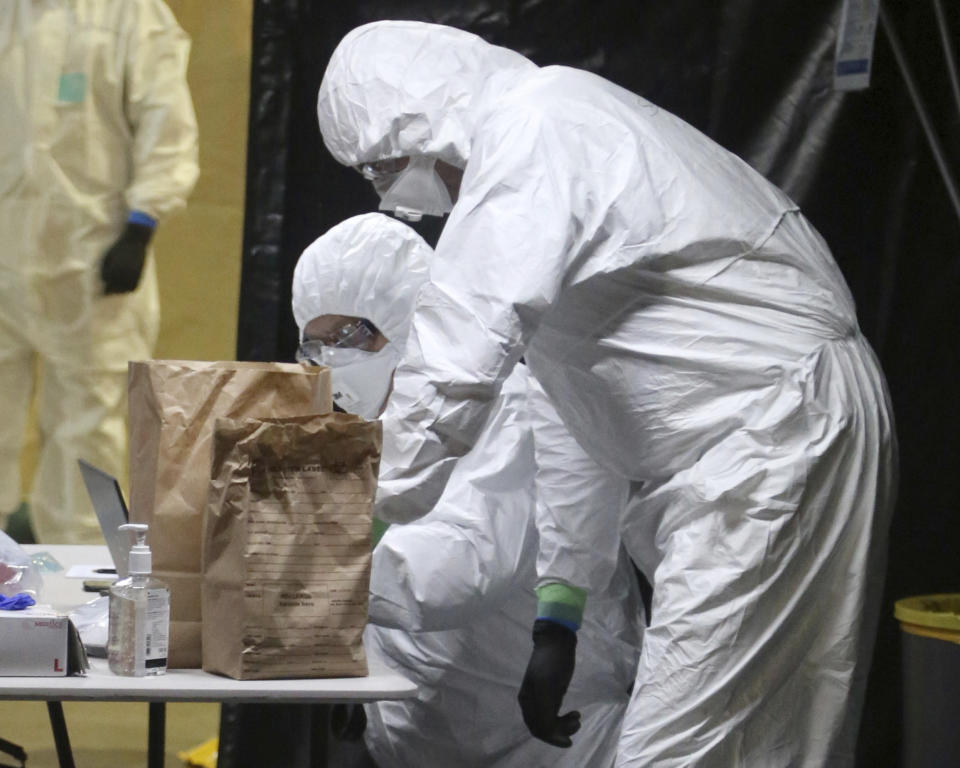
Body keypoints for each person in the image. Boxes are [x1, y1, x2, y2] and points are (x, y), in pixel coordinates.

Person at [316, 20, 898, 766]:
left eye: (383, 168)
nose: (398, 200)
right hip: (766, 439)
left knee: (679, 752)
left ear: (422, 115)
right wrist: (559, 613)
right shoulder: (545, 145)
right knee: (762, 748)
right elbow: (576, 418)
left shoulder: (536, 127)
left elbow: (453, 360)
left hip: (775, 434)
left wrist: (333, 534)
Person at [291, 212, 643, 767]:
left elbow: (461, 570)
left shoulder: (508, 409)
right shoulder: (368, 426)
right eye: (315, 344)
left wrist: (306, 573)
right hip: (422, 733)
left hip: (538, 741)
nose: (331, 360)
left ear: (410, 319)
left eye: (349, 336)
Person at [0, 0, 198, 543]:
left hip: (90, 261)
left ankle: (86, 575)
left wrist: (142, 223)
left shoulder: (128, 14)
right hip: (4, 255)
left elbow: (167, 120)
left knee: (91, 431)